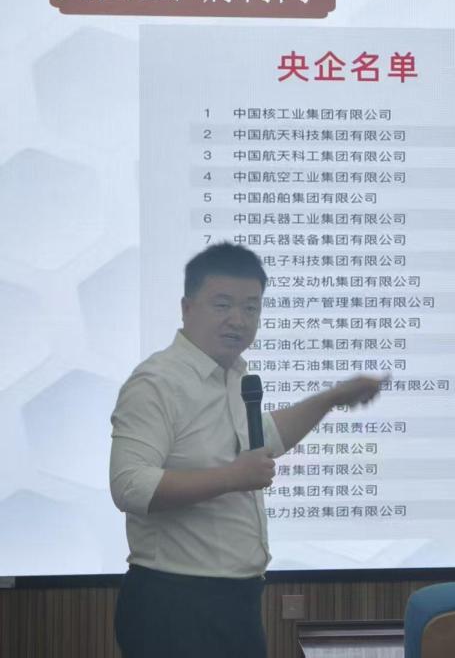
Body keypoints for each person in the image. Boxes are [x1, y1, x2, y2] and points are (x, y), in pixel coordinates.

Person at [109, 242, 383, 658]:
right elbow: (130, 485)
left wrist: (331, 398)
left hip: (236, 601)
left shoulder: (233, 375)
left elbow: (263, 440)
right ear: (186, 308)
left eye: (251, 307)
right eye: (222, 305)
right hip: (174, 605)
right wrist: (232, 478)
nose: (238, 320)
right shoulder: (156, 383)